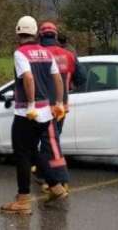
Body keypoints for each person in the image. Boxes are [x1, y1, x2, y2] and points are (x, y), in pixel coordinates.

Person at [1, 16, 68, 215]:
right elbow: (57, 78)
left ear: (18, 32)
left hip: (26, 113)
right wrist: (58, 102)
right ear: (36, 33)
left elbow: (28, 78)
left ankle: (23, 199)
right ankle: (55, 186)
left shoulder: (20, 53)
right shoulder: (46, 53)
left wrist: (30, 104)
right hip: (46, 112)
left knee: (21, 154)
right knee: (32, 150)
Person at [35, 22, 86, 192]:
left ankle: (56, 178)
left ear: (41, 36)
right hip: (61, 106)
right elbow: (82, 77)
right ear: (55, 36)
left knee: (49, 142)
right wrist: (69, 85)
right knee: (52, 139)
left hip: (42, 105)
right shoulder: (69, 55)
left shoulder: (38, 54)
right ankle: (43, 173)